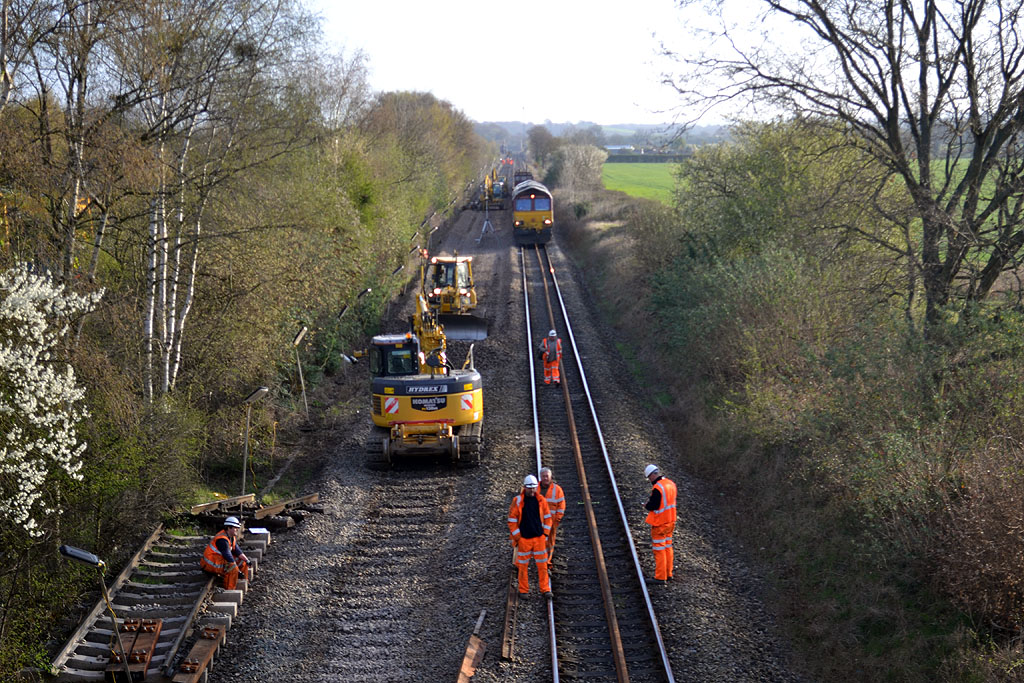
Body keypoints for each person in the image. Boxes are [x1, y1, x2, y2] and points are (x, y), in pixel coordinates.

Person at [507, 474, 553, 598]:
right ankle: (523, 590)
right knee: (522, 567)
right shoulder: (517, 501)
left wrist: (545, 534)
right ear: (525, 488)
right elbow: (511, 520)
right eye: (529, 488)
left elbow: (548, 518)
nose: (532, 490)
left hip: (539, 539)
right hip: (524, 540)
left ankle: (545, 589)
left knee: (542, 566)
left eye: (533, 488)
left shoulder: (541, 500)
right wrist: (518, 537)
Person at [643, 464, 677, 584]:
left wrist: (646, 505)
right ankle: (668, 573)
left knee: (659, 549)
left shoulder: (658, 488)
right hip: (670, 521)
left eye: (649, 478)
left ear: (652, 475)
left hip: (660, 523)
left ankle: (660, 577)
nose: (650, 480)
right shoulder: (670, 484)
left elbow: (654, 505)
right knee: (668, 547)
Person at [200, 516, 250, 590]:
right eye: (235, 528)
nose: (237, 529)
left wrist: (247, 560)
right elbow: (227, 555)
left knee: (243, 562)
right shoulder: (222, 540)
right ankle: (230, 589)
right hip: (211, 564)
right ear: (229, 528)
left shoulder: (231, 537)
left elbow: (237, 550)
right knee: (233, 568)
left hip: (219, 560)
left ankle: (243, 581)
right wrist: (237, 570)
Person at [539, 467, 565, 555]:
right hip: (538, 521)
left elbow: (561, 506)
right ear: (540, 477)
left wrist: (557, 519)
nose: (545, 478)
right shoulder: (535, 488)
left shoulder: (557, 489)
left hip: (551, 521)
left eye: (547, 476)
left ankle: (547, 561)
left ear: (550, 477)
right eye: (543, 476)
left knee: (549, 542)